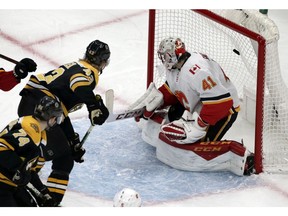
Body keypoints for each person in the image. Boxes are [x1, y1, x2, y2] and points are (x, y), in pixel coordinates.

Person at [131, 37, 254, 176]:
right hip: (198, 104)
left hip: (224, 109)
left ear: (174, 55)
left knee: (198, 145)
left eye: (165, 56)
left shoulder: (197, 71)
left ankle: (243, 158)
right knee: (173, 125)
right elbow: (173, 90)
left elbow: (222, 103)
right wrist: (156, 101)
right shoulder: (175, 68)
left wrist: (200, 125)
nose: (163, 59)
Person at [17, 39, 110, 206]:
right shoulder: (89, 71)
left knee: (56, 151)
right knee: (59, 156)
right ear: (103, 61)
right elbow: (78, 84)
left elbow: (60, 113)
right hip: (41, 105)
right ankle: (42, 198)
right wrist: (93, 106)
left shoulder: (76, 64)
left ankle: (35, 193)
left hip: (33, 103)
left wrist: (72, 140)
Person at [0, 96, 63, 207]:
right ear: (52, 118)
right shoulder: (30, 129)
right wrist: (17, 169)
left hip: (11, 184)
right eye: (57, 118)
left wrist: (44, 192)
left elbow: (29, 170)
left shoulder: (37, 131)